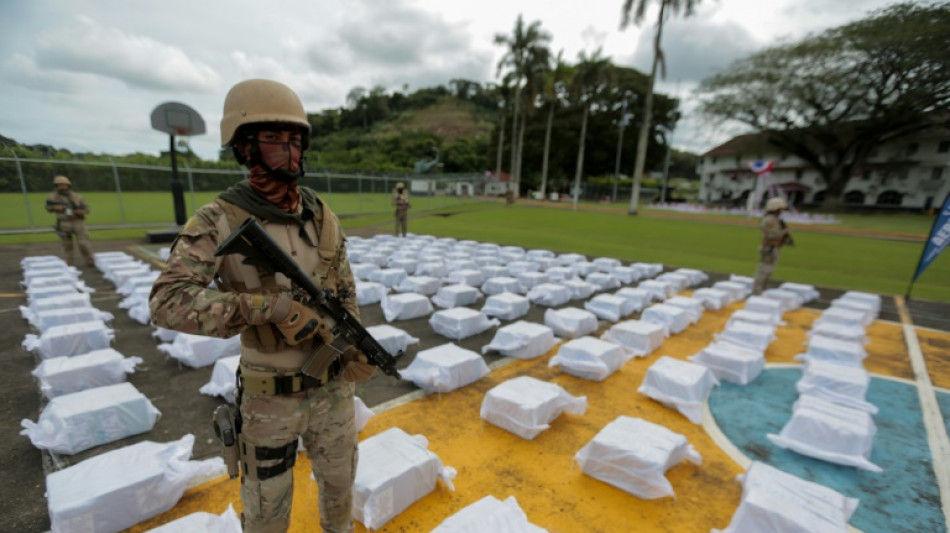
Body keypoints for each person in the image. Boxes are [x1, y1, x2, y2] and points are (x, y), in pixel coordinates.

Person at [149, 79, 374, 533]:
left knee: (339, 493)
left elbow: (345, 291)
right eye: (273, 138)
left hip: (333, 392)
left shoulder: (322, 216)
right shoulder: (218, 220)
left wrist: (354, 345)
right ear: (244, 146)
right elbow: (167, 303)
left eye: (295, 140)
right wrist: (268, 310)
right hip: (269, 402)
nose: (288, 150)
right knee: (266, 515)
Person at [45, 175, 94, 267]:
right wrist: (55, 208)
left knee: (83, 243)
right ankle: (69, 264)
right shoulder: (52, 197)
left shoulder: (76, 196)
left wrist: (80, 211)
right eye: (60, 185)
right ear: (56, 186)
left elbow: (87, 209)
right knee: (67, 245)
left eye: (64, 185)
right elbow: (48, 208)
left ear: (68, 185)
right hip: (63, 222)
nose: (63, 187)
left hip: (77, 222)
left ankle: (90, 260)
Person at [753, 196, 793, 295]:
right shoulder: (770, 220)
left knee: (768, 271)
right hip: (769, 248)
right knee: (764, 270)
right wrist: (785, 232)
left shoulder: (775, 219)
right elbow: (773, 234)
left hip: (774, 247)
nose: (781, 211)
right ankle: (757, 290)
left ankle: (763, 289)